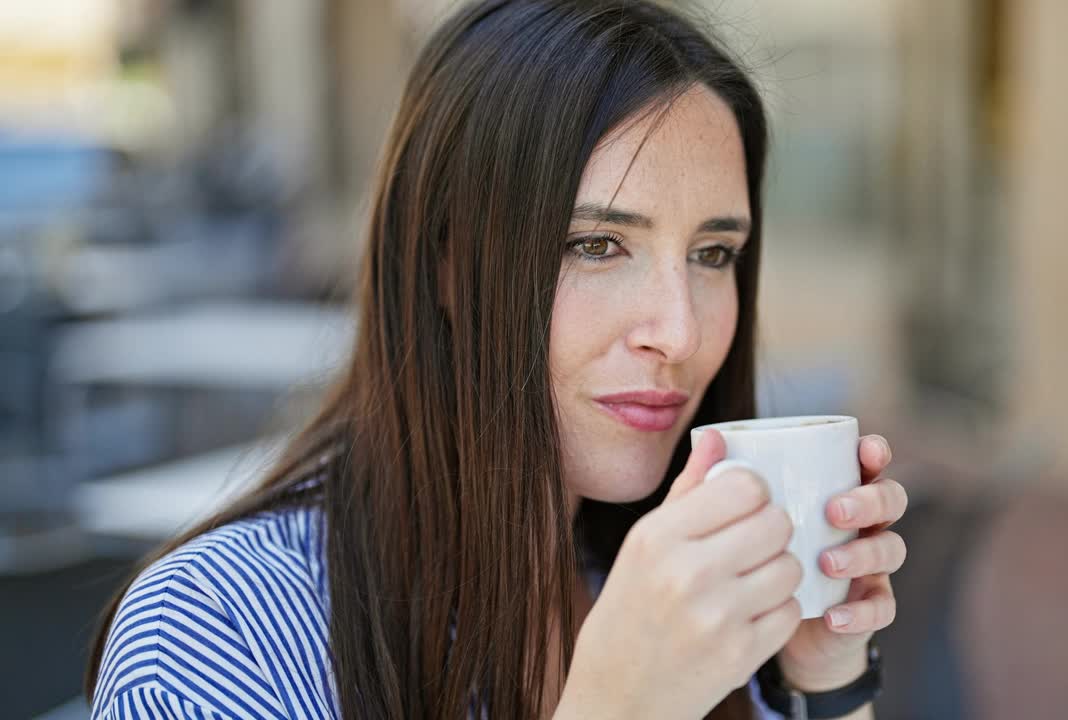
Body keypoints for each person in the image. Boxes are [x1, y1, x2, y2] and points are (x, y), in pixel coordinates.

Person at [84, 1, 908, 718]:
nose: (680, 332)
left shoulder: (688, 596)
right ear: (446, 259)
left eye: (714, 254)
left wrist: (827, 679)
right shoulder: (218, 635)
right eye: (596, 244)